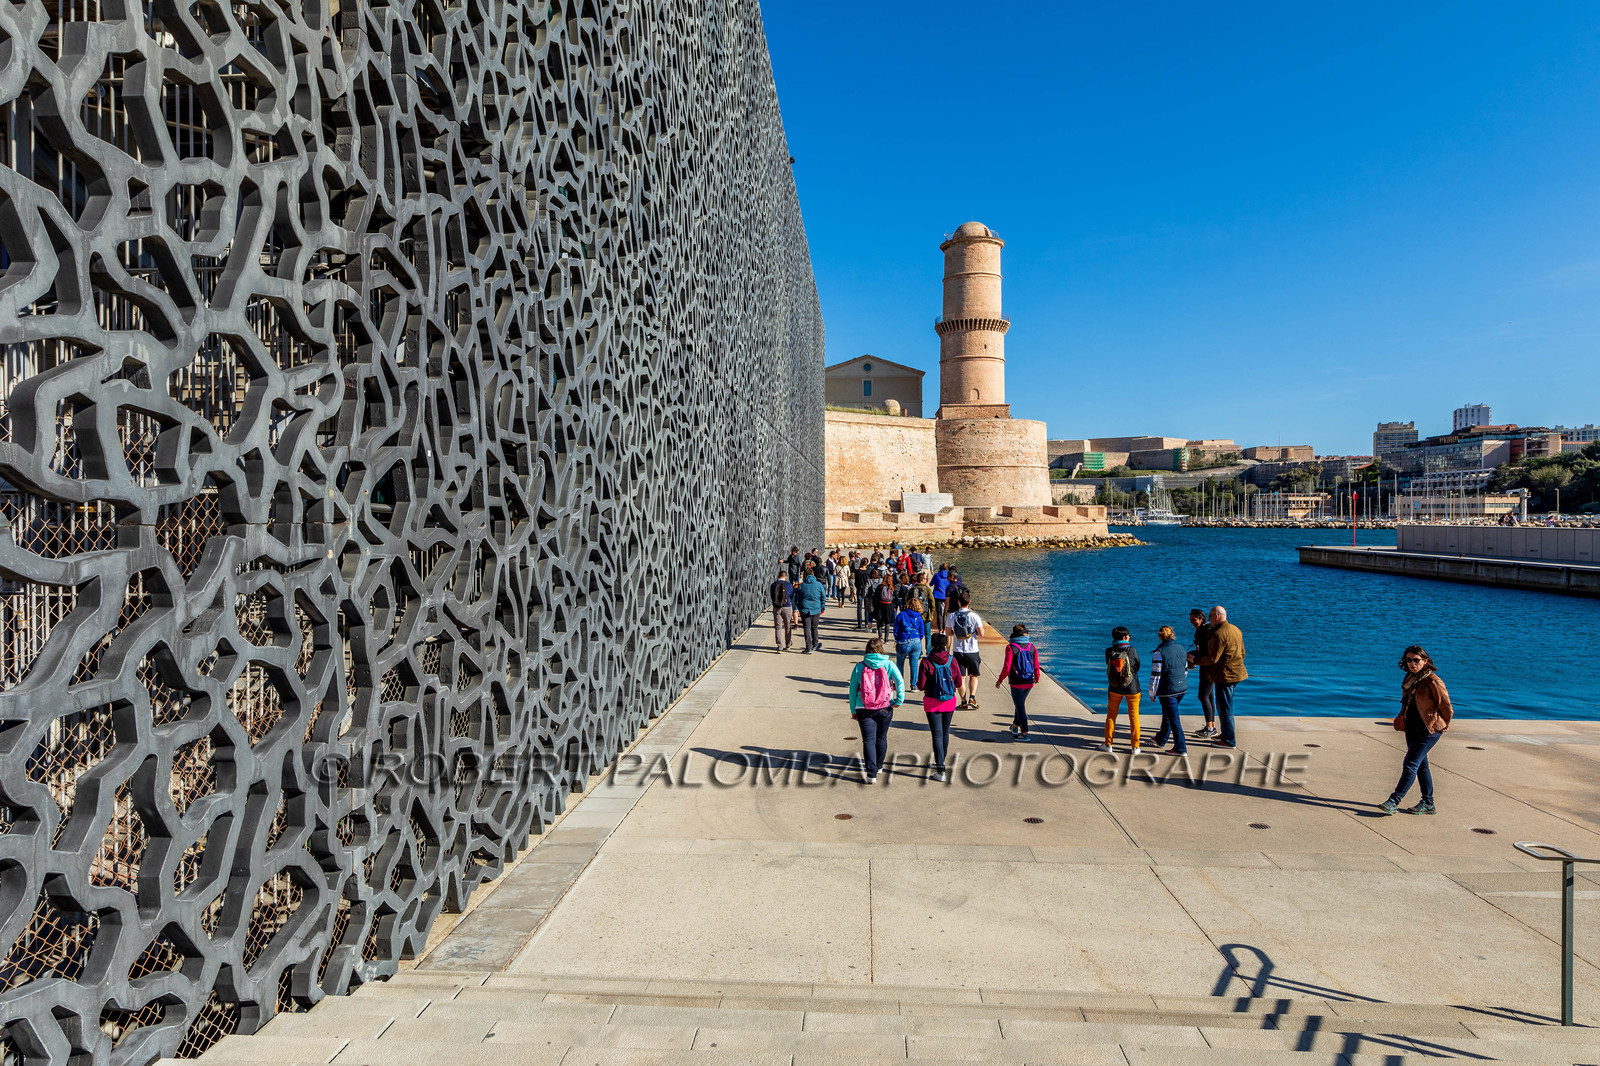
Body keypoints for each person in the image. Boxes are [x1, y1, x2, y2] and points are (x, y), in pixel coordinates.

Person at [1379, 646, 1452, 815]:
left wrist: (1444, 724)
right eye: (1409, 660)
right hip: (1412, 727)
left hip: (1429, 729)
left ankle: (1394, 800)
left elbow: (1446, 706)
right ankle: (1428, 803)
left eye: (1416, 660)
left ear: (1425, 661)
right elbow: (1406, 702)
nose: (1412, 663)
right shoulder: (1410, 678)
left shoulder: (1433, 681)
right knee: (1421, 765)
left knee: (1410, 763)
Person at [848, 637, 904, 783]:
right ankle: (879, 766)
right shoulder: (888, 664)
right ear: (881, 649)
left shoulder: (860, 666)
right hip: (885, 706)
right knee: (882, 737)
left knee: (868, 740)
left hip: (864, 706)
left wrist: (853, 708)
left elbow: (853, 688)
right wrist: (899, 700)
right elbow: (899, 681)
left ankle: (871, 774)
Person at [1193, 605, 1246, 748]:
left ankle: (1229, 741)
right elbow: (1242, 653)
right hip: (1236, 672)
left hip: (1225, 675)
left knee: (1224, 708)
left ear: (1216, 616)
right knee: (1224, 706)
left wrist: (1195, 660)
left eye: (1210, 617)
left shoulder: (1219, 633)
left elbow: (1212, 659)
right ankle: (1225, 734)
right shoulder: (1236, 629)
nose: (1209, 620)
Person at [916, 634, 963, 780]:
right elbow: (959, 682)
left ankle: (940, 767)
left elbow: (920, 685)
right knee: (945, 732)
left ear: (932, 644)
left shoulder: (926, 662)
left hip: (931, 702)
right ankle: (941, 761)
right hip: (949, 701)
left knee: (936, 734)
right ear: (944, 645)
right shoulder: (952, 660)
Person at [995, 624, 1041, 740]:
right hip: (1029, 681)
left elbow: (1007, 667)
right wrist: (1037, 677)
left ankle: (1025, 733)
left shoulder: (1011, 647)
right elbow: (1036, 664)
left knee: (1020, 706)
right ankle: (1015, 727)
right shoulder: (1032, 647)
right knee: (1019, 704)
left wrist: (1000, 680)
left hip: (1016, 682)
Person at [1148, 625, 1188, 755]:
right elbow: (1185, 669)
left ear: (1160, 637)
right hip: (1182, 687)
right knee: (1168, 714)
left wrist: (1152, 692)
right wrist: (1180, 681)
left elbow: (1156, 675)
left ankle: (1180, 748)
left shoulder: (1159, 653)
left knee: (1173, 719)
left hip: (1168, 690)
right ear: (1172, 635)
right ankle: (1161, 739)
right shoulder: (1181, 648)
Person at [1103, 626, 1142, 754]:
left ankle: (1108, 744)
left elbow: (1108, 665)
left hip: (1114, 688)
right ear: (1125, 637)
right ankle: (1135, 747)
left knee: (1111, 716)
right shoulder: (1132, 650)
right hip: (1133, 688)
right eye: (1129, 635)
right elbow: (1137, 666)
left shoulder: (1109, 651)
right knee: (1134, 716)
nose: (1130, 637)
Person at [945, 588, 985, 710]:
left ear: (958, 602)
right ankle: (972, 697)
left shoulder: (952, 616)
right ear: (969, 602)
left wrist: (957, 633)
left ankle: (963, 701)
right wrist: (972, 633)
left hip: (958, 650)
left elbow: (948, 633)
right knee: (973, 675)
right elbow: (982, 634)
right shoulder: (975, 616)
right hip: (972, 650)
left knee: (961, 677)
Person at [1186, 608, 1218, 739]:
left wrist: (1194, 658)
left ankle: (1210, 727)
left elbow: (1210, 650)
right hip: (1204, 665)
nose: (1192, 622)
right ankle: (1211, 726)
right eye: (1190, 619)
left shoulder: (1207, 629)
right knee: (1209, 696)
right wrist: (1194, 660)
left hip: (1210, 666)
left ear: (1201, 618)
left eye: (1194, 619)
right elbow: (1200, 649)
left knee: (1203, 696)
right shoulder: (1199, 630)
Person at [893, 596, 926, 691]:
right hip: (916, 641)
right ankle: (913, 685)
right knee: (914, 664)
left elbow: (896, 629)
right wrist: (918, 639)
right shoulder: (919, 617)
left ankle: (899, 683)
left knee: (900, 664)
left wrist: (897, 639)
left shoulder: (901, 615)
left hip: (904, 641)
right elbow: (922, 631)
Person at [794, 568, 827, 653]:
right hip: (816, 609)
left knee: (806, 628)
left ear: (805, 575)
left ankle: (808, 647)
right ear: (813, 574)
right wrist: (822, 608)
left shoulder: (801, 585)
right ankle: (815, 644)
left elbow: (796, 599)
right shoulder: (819, 584)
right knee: (814, 627)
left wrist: (800, 607)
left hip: (805, 609)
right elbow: (823, 597)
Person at [768, 569, 794, 653]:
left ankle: (779, 646)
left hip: (776, 607)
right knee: (787, 626)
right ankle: (788, 644)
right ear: (785, 577)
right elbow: (791, 595)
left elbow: (772, 596)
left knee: (778, 627)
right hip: (787, 607)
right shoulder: (789, 585)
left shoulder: (773, 585)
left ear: (778, 576)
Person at [873, 571, 897, 642]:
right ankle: (886, 639)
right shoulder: (892, 587)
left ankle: (880, 637)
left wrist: (875, 606)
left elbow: (875, 597)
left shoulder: (880, 587)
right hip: (889, 606)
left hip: (880, 606)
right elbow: (896, 597)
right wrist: (895, 606)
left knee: (879, 621)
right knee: (887, 622)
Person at [929, 565, 951, 630]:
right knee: (944, 613)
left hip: (937, 595)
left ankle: (940, 630)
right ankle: (944, 629)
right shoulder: (948, 576)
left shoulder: (936, 575)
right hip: (946, 595)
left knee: (938, 613)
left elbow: (930, 584)